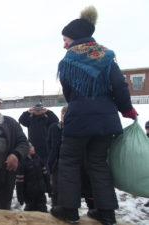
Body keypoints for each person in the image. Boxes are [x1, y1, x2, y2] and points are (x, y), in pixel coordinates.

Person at [50, 6, 137, 225]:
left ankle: (69, 210)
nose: (64, 44)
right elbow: (119, 85)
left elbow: (68, 92)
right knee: (98, 163)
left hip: (79, 119)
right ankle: (106, 213)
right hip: (106, 121)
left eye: (66, 39)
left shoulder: (69, 60)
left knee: (69, 161)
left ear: (75, 38)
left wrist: (80, 105)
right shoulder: (107, 56)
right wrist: (126, 109)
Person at [47, 106, 94, 209]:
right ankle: (55, 209)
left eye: (67, 113)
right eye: (63, 113)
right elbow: (49, 145)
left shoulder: (78, 129)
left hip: (74, 164)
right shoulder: (54, 128)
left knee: (81, 189)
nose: (64, 116)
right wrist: (50, 162)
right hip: (57, 164)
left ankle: (86, 210)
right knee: (56, 190)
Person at [16, 143, 50, 212]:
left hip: (41, 194)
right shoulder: (22, 163)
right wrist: (20, 197)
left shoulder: (38, 159)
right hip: (29, 196)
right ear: (27, 149)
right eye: (31, 147)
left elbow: (45, 175)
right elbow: (19, 183)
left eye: (33, 146)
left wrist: (49, 188)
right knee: (30, 214)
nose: (33, 147)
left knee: (43, 211)